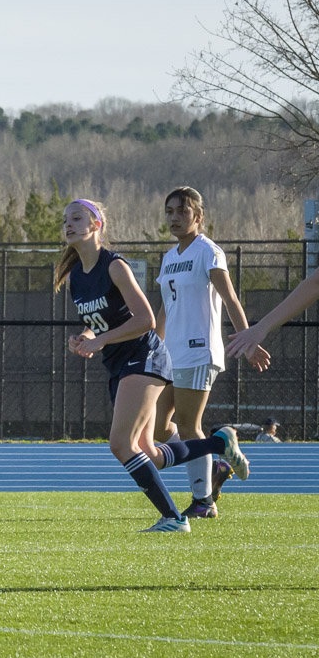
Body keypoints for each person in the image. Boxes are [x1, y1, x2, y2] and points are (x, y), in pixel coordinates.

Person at [55, 199, 248, 532]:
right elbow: (98, 320)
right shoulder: (75, 277)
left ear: (97, 225)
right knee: (150, 452)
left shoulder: (114, 266)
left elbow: (144, 319)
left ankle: (174, 519)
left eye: (77, 218)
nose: (68, 224)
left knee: (120, 444)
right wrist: (84, 336)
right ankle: (220, 443)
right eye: (65, 220)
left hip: (144, 356)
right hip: (119, 362)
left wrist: (100, 340)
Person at [151, 187, 260, 519]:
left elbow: (229, 297)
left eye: (182, 212)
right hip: (171, 354)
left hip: (199, 351)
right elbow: (166, 308)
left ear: (197, 216)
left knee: (187, 425)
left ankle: (203, 501)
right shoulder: (170, 257)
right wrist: (153, 346)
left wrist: (247, 339)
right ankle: (217, 452)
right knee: (155, 428)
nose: (174, 217)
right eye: (169, 211)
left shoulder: (208, 252)